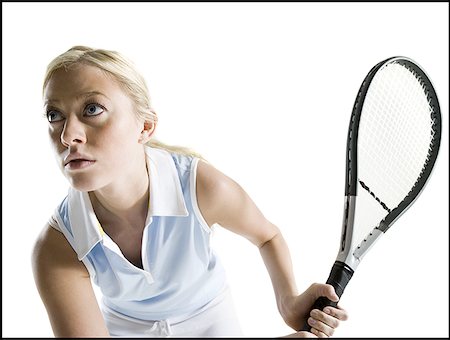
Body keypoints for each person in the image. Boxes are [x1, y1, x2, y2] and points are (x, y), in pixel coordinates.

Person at [31, 45, 348, 338]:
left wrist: (288, 302)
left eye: (92, 109)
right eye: (54, 115)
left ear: (145, 127)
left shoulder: (201, 187)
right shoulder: (57, 247)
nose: (67, 135)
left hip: (213, 323)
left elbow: (267, 236)